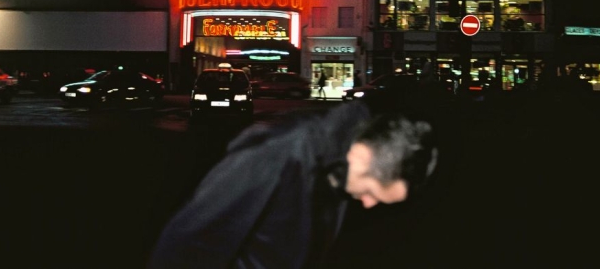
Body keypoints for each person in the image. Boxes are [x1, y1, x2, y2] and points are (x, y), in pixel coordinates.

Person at [147, 101, 438, 269]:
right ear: (364, 155)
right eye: (373, 193)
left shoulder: (337, 165)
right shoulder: (277, 153)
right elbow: (186, 245)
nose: (368, 204)